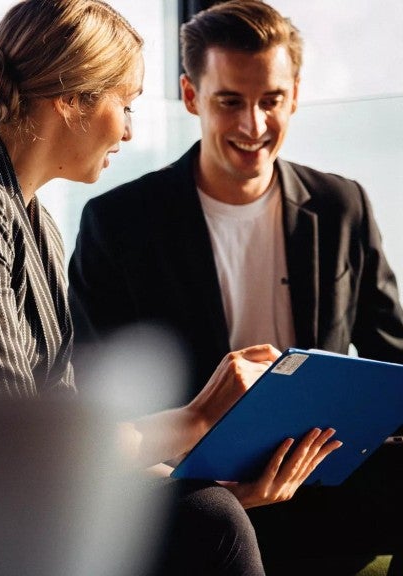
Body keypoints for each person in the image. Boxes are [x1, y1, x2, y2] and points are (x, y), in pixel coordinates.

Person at [0, 1, 339, 574]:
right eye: (125, 104)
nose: (128, 129)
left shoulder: (34, 225)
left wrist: (217, 483)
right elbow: (27, 449)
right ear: (71, 100)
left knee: (211, 510)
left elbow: (68, 435)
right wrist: (198, 419)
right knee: (209, 522)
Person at [67, 1, 403, 573]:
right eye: (230, 102)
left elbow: (392, 359)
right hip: (199, 496)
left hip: (323, 478)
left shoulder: (342, 204)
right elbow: (99, 393)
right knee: (208, 516)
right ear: (192, 97)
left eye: (271, 100)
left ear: (294, 95)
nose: (253, 126)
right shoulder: (119, 223)